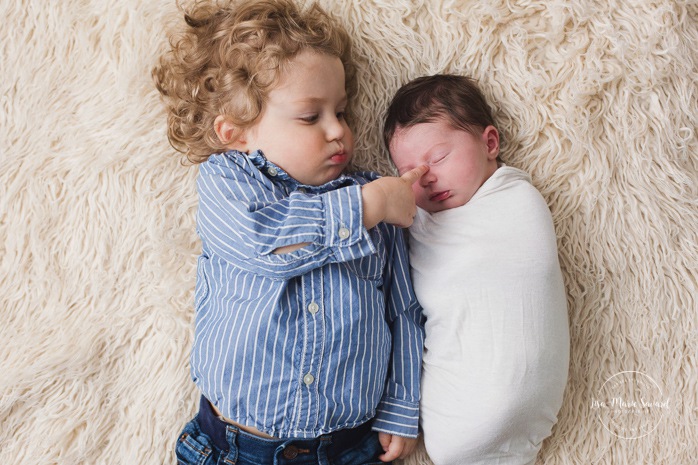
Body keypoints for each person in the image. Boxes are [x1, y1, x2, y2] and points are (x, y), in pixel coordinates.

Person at [153, 0, 427, 463]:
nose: (337, 130)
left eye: (341, 112)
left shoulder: (373, 200)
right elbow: (267, 245)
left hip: (348, 446)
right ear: (236, 132)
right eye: (310, 116)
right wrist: (369, 206)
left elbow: (403, 310)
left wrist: (401, 405)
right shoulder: (229, 183)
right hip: (236, 446)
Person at [384, 74, 570, 465]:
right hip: (453, 420)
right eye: (409, 172)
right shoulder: (418, 220)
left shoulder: (515, 199)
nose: (426, 177)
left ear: (490, 143)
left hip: (527, 409)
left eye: (437, 158)